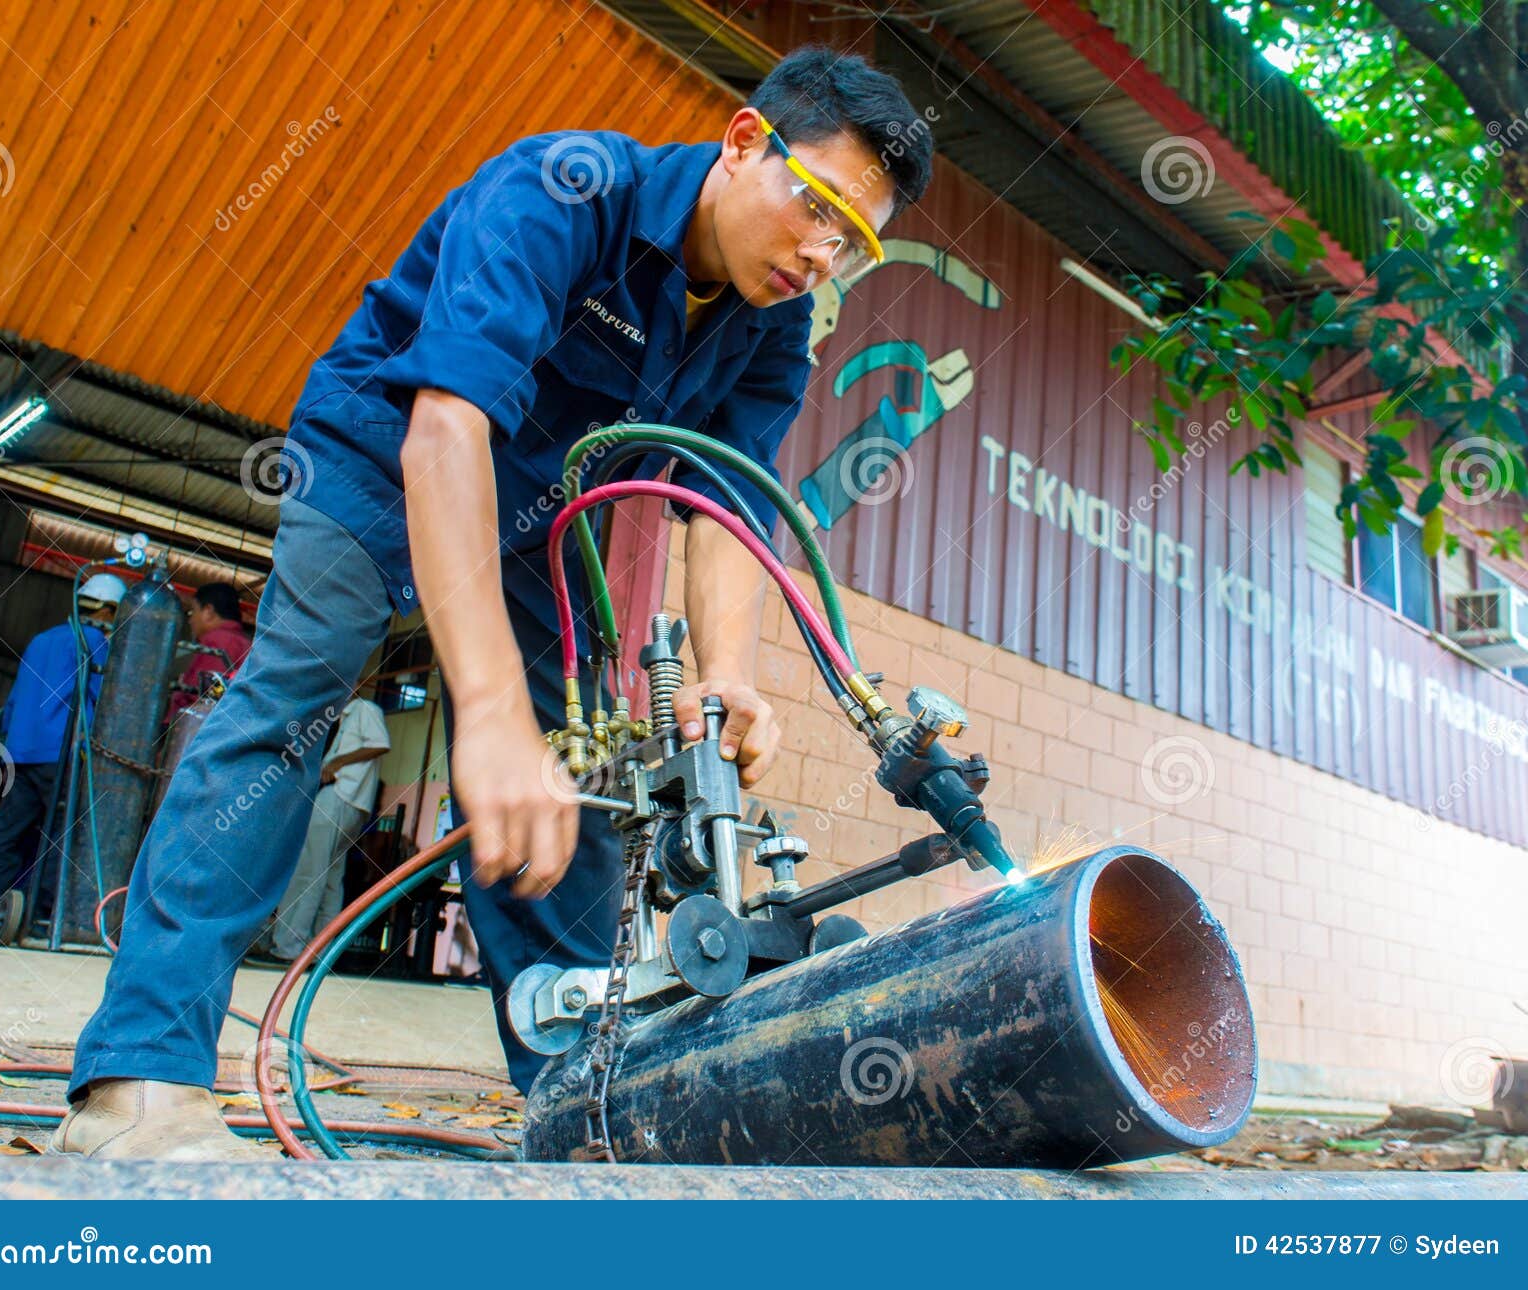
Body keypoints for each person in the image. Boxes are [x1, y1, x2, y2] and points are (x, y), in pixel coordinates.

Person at [50, 46, 933, 1160]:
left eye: (852, 241)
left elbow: (720, 507)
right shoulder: (564, 189)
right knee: (297, 699)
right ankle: (138, 1077)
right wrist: (487, 712)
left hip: (535, 522)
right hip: (381, 456)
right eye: (816, 208)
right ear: (745, 141)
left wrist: (726, 678)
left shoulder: (772, 329)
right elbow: (445, 431)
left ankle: (589, 1110)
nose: (821, 253)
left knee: (573, 772)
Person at [0, 572, 126, 940]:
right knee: (62, 837)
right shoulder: (92, 644)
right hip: (61, 755)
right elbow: (105, 704)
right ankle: (42, 916)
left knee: (6, 833)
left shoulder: (42, 640)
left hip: (20, 753)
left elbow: (13, 703)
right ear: (105, 609)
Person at [256, 694, 390, 964]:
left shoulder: (364, 709)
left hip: (340, 796)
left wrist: (335, 764)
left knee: (308, 873)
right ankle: (321, 950)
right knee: (330, 879)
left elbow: (379, 744)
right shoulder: (343, 718)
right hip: (351, 802)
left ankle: (289, 947)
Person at [168, 582, 252, 718]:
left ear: (208, 611)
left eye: (193, 611)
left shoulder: (219, 641)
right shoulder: (243, 643)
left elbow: (209, 699)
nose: (190, 620)